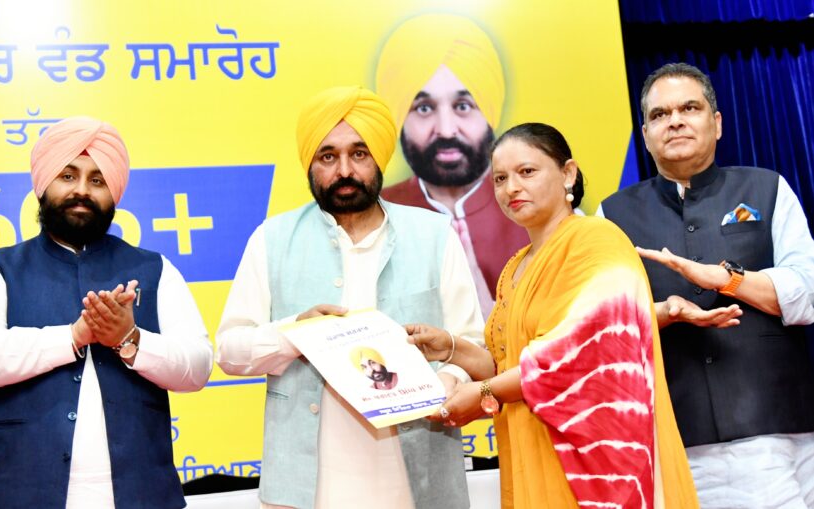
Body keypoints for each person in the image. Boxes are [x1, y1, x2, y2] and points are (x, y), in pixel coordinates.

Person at [215, 85, 488, 509]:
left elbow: (472, 345)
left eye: (359, 153)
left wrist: (447, 381)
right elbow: (229, 352)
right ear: (310, 164)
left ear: (378, 158)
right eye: (328, 157)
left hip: (419, 480)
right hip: (308, 490)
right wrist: (294, 333)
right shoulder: (272, 239)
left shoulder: (432, 235)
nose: (345, 170)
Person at [418, 123, 699, 508]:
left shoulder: (598, 240)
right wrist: (450, 348)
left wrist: (483, 394)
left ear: (568, 173)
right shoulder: (514, 267)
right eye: (500, 178)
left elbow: (573, 356)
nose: (511, 188)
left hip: (593, 462)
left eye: (527, 172)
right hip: (530, 447)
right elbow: (508, 363)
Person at [0, 116, 213, 509]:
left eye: (97, 180)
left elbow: (198, 366)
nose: (82, 191)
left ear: (114, 193)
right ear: (43, 184)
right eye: (68, 176)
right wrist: (73, 336)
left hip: (141, 497)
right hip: (16, 496)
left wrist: (130, 339)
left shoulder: (156, 270)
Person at [599, 62, 814, 508]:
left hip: (776, 425)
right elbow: (603, 324)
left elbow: (808, 291)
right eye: (660, 114)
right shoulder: (611, 216)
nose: (675, 121)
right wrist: (666, 312)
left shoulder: (767, 188)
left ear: (716, 124)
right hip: (673, 437)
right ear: (645, 134)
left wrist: (729, 280)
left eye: (689, 108)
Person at [376, 13, 529, 317]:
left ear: (489, 111)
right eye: (424, 108)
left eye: (462, 106)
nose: (446, 130)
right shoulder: (376, 216)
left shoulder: (544, 209)